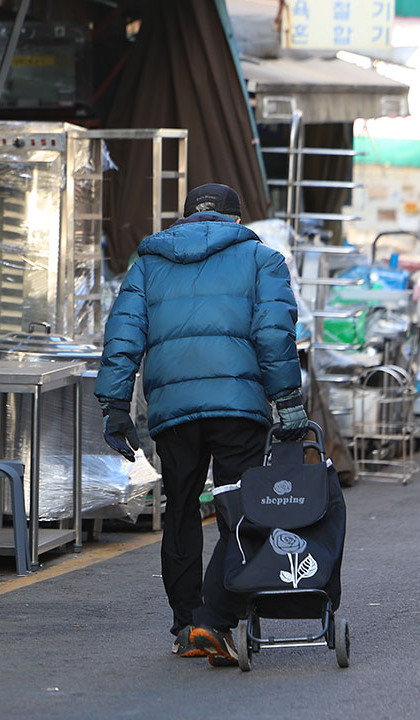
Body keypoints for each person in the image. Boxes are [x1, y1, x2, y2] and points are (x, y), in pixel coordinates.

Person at [94, 183, 308, 667]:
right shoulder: (261, 260)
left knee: (182, 511)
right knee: (241, 512)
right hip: (239, 409)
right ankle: (214, 618)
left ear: (186, 218)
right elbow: (273, 334)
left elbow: (122, 336)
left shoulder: (148, 263)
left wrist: (115, 406)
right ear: (236, 219)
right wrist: (288, 401)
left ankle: (185, 624)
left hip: (174, 410)